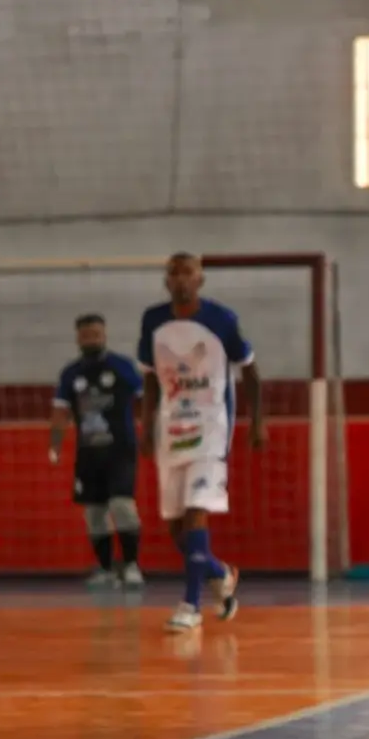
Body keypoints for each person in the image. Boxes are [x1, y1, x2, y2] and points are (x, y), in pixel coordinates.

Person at [138, 253, 265, 631]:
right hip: (170, 429)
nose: (181, 280)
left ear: (200, 280)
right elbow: (148, 379)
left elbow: (251, 373)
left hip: (210, 429)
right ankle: (218, 572)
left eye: (188, 273)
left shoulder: (221, 319)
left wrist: (258, 421)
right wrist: (146, 426)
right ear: (166, 281)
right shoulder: (153, 320)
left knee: (196, 511)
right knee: (177, 528)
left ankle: (190, 606)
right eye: (174, 273)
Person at [50, 314, 145, 587]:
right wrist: (54, 445)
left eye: (96, 334)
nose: (91, 339)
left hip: (121, 450)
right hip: (88, 454)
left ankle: (131, 566)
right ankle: (105, 569)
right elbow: (60, 411)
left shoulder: (122, 367)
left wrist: (150, 433)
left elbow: (144, 400)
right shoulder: (71, 373)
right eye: (86, 335)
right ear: (78, 338)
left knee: (122, 505)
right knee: (93, 513)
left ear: (104, 335)